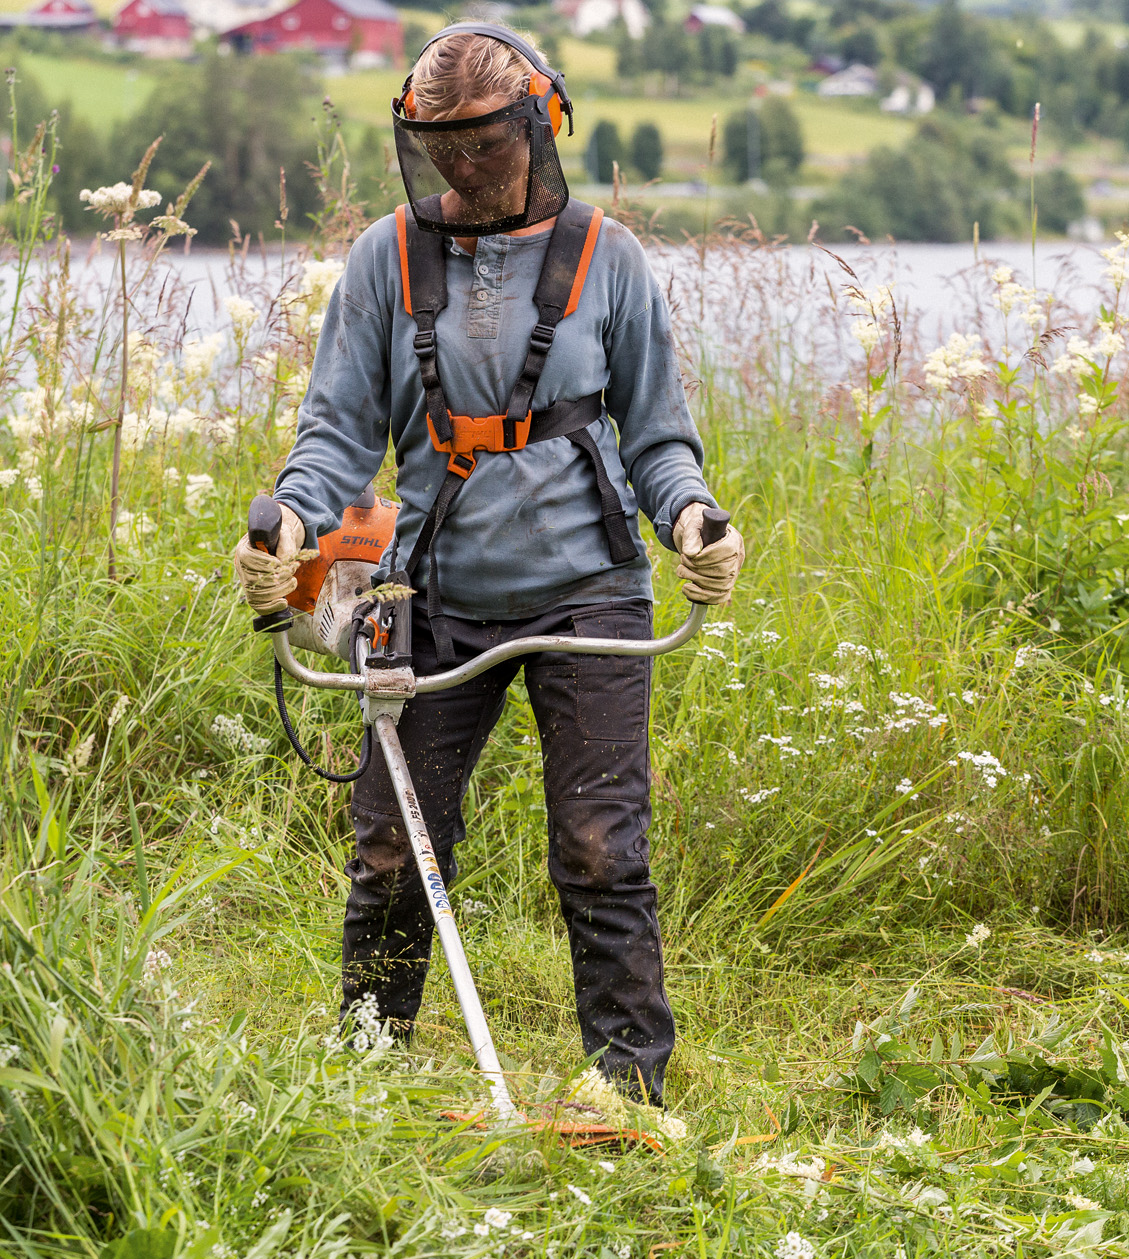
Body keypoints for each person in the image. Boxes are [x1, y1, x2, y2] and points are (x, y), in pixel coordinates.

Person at [230, 23, 746, 1108]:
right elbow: (334, 434)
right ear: (419, 143)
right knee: (388, 846)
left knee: (602, 845)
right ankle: (367, 1073)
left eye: (486, 148)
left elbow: (656, 437)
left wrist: (694, 517)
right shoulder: (389, 256)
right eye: (444, 152)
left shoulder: (610, 259)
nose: (466, 173)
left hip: (590, 589)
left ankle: (628, 1090)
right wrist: (285, 527)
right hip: (436, 593)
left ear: (540, 124)